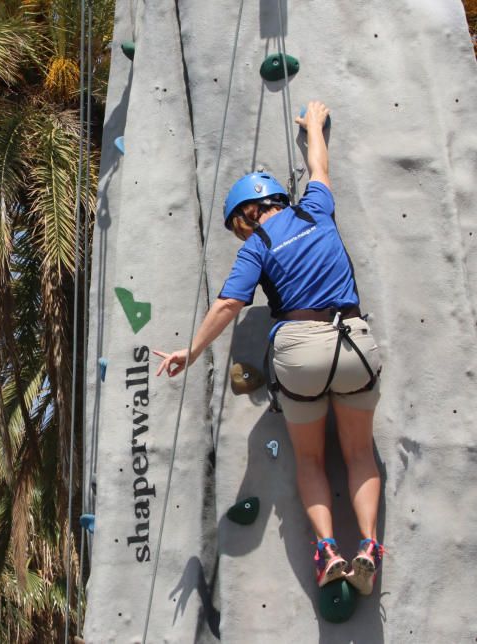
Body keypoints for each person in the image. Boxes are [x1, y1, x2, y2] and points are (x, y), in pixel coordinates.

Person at [153, 101, 384, 595]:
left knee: (310, 460)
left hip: (301, 352)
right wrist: (314, 126)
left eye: (239, 222)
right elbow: (318, 166)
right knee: (360, 452)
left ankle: (328, 551)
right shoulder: (315, 209)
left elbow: (228, 305)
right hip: (354, 342)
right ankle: (369, 547)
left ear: (247, 214)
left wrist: (190, 352)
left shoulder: (256, 247)